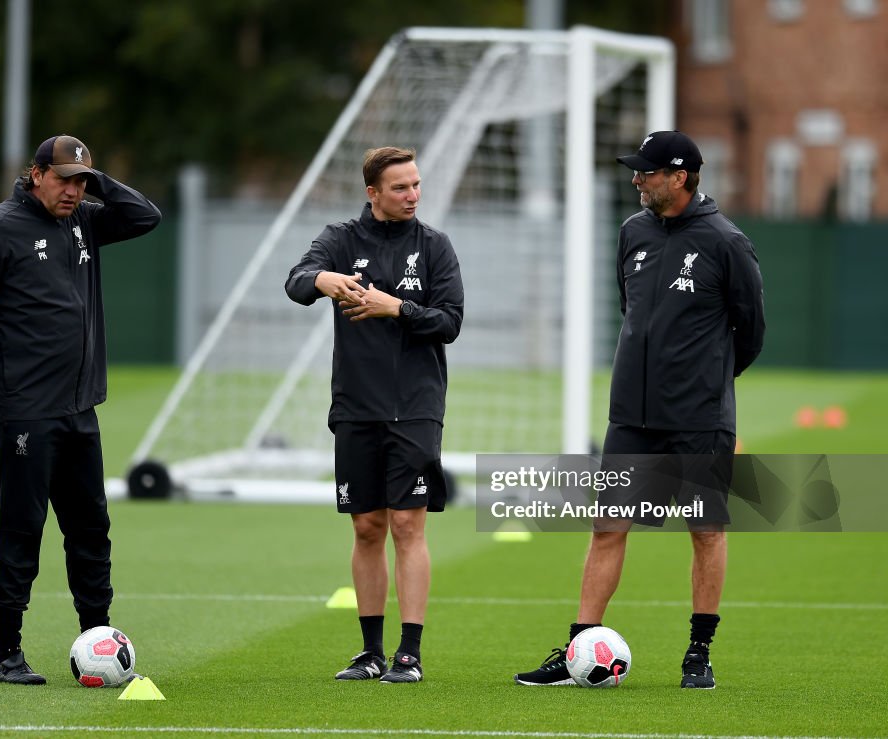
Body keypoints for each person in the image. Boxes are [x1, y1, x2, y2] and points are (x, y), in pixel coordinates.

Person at [513, 130, 765, 689]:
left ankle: (698, 653)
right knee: (607, 527)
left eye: (647, 172)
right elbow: (633, 311)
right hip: (631, 414)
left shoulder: (727, 242)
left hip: (698, 418)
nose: (637, 179)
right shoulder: (633, 231)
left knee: (705, 531)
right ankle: (580, 644)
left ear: (679, 177)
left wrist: (705, 383)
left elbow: (751, 332)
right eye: (636, 170)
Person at [0, 134, 161, 684]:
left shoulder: (83, 220)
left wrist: (95, 177)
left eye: (81, 182)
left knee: (91, 528)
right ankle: (7, 654)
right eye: (63, 179)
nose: (73, 191)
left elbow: (146, 216)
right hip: (24, 411)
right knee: (23, 527)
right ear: (35, 174)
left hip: (78, 408)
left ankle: (97, 639)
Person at [285, 146, 464, 683]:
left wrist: (397, 308)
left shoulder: (434, 246)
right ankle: (370, 653)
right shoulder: (341, 239)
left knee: (408, 524)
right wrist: (323, 281)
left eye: (415, 185)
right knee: (367, 527)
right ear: (373, 193)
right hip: (356, 406)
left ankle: (409, 653)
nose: (413, 195)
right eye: (400, 187)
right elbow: (297, 280)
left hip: (415, 407)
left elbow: (450, 321)